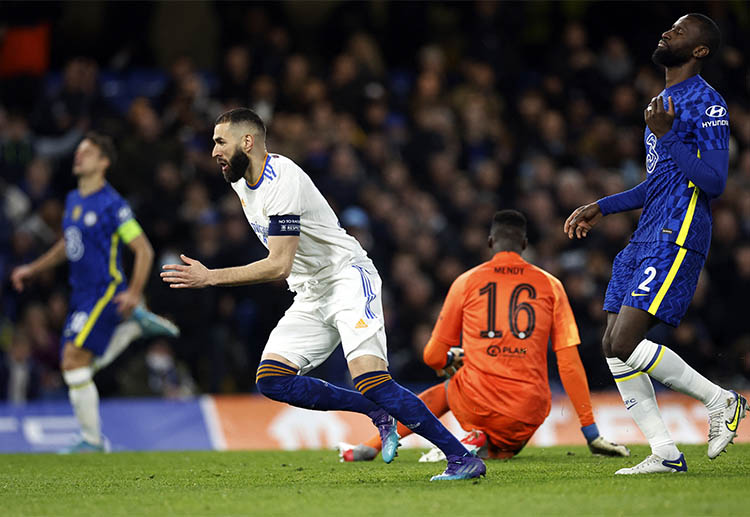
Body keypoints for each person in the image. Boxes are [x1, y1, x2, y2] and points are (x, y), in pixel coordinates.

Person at [160, 108, 485, 481]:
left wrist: (211, 277)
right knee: (272, 379)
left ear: (247, 142)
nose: (213, 150)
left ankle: (460, 458)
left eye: (220, 141)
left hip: (346, 277)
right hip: (311, 290)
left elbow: (278, 264)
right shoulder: (239, 180)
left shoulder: (281, 179)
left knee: (370, 377)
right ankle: (375, 410)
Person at [564, 13, 747, 474]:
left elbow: (714, 180)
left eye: (680, 31)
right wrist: (602, 206)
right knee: (610, 343)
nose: (667, 32)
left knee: (626, 340)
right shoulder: (660, 101)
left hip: (679, 229)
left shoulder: (707, 103)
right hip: (647, 228)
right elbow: (658, 181)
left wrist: (669, 136)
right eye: (669, 27)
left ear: (700, 51)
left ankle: (721, 399)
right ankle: (664, 452)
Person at [340, 210, 630, 462]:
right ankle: (480, 442)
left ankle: (373, 445)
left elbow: (432, 356)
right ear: (525, 245)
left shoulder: (466, 282)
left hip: (476, 402)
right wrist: (590, 432)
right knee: (505, 449)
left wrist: (454, 357)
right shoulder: (551, 285)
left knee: (445, 390)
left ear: (491, 243)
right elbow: (568, 363)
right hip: (529, 409)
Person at [11, 132, 180, 453]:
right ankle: (131, 329)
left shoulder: (112, 205)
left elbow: (143, 250)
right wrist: (33, 268)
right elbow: (68, 244)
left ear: (103, 162)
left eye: (87, 152)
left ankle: (91, 441)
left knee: (73, 360)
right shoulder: (74, 199)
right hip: (81, 293)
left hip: (106, 290)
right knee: (74, 365)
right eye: (78, 150)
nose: (79, 155)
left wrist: (133, 293)